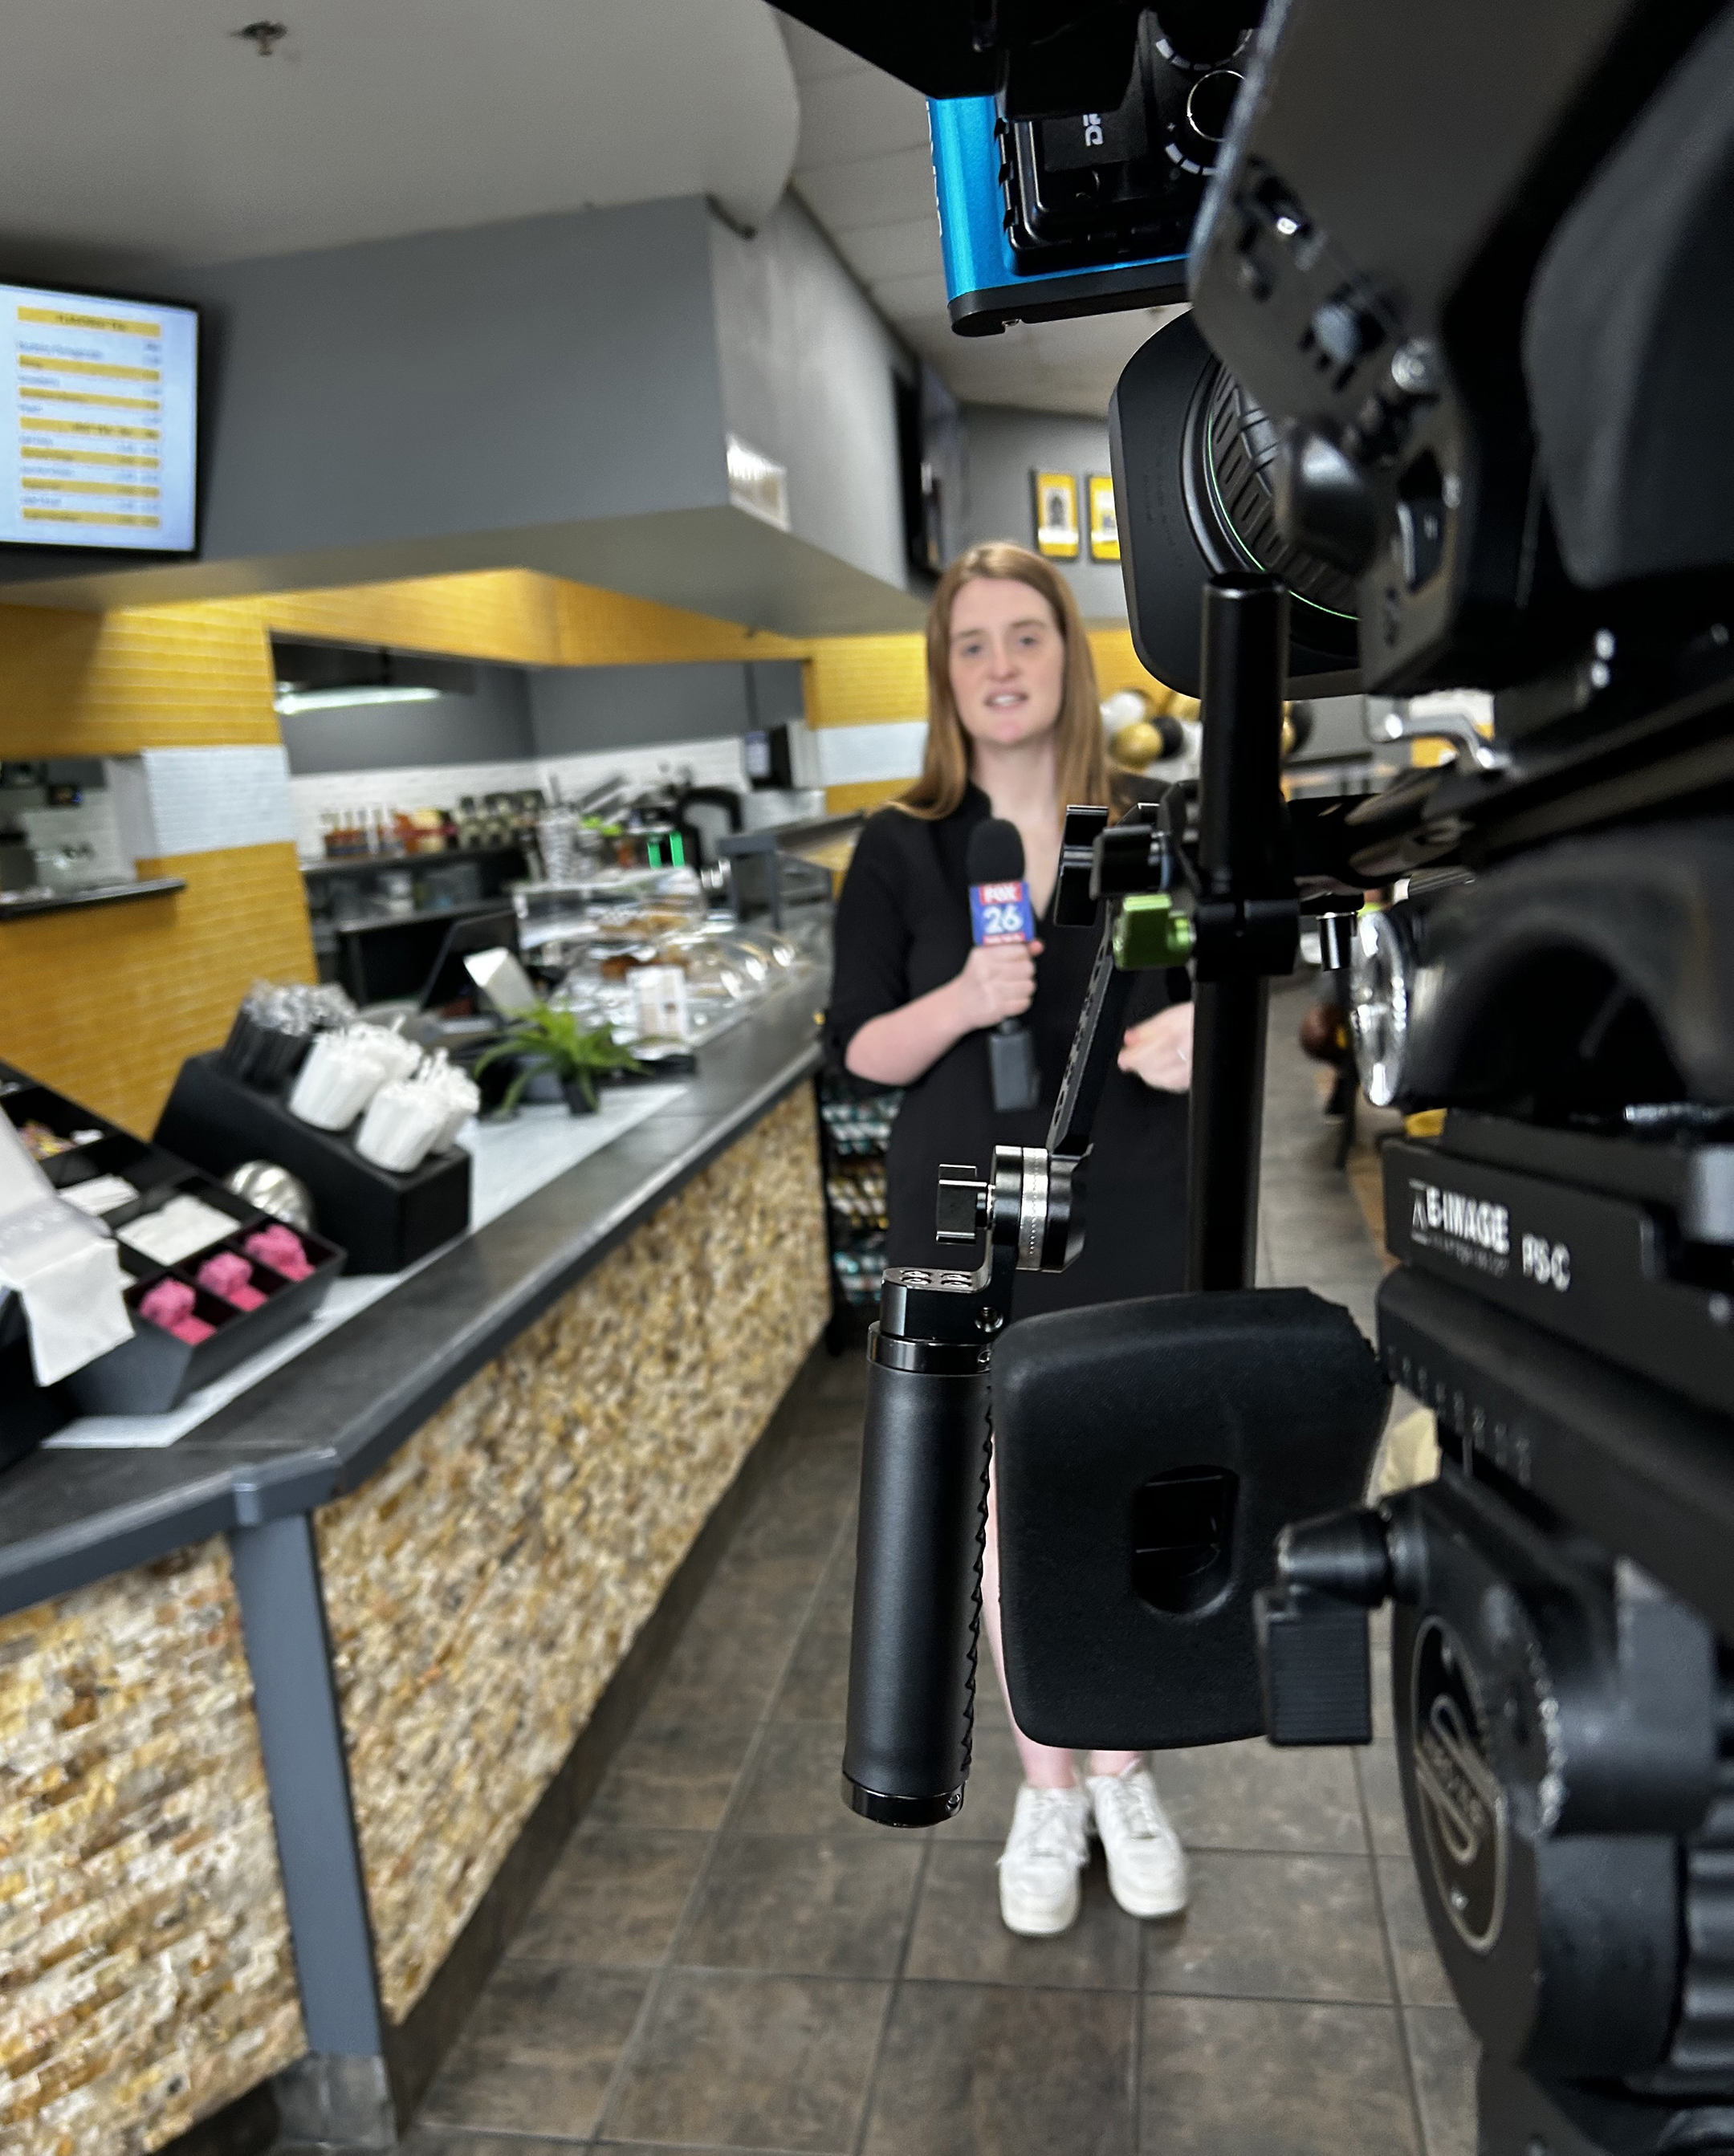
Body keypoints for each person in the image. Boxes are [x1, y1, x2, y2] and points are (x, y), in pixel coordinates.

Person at [828, 539, 1195, 1938]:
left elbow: (1236, 983)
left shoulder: (1156, 819)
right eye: (971, 643)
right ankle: (1050, 1786)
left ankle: (1124, 1769)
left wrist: (1201, 1032)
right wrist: (967, 999)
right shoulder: (906, 845)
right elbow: (862, 1046)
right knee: (999, 1506)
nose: (999, 666)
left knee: (1126, 1479)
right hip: (968, 1204)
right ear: (945, 674)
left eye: (1024, 636)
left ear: (1068, 655)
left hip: (1134, 1188)